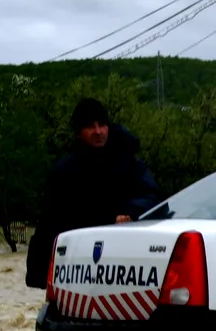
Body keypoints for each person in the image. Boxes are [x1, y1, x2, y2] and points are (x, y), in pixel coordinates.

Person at [25, 98, 162, 289]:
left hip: (121, 263)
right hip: (76, 267)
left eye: (102, 125)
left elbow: (153, 197)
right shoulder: (63, 172)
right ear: (79, 132)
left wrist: (130, 212)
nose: (98, 132)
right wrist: (38, 274)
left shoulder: (128, 164)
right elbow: (49, 223)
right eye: (90, 126)